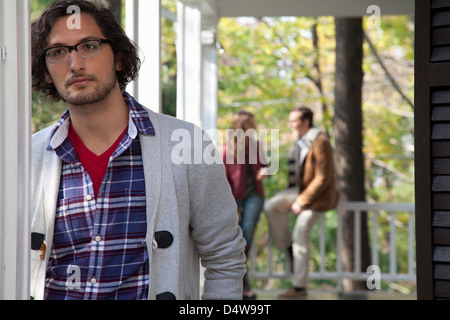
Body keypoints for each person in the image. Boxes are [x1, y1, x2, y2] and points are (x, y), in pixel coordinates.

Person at [30, 0, 246, 300]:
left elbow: (225, 258)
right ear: (46, 70)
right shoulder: (27, 157)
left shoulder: (186, 145)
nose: (75, 64)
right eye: (58, 52)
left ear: (119, 58)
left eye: (89, 46)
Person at [264, 105, 339, 299]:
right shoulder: (300, 141)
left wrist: (301, 202)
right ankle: (288, 247)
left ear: (306, 122)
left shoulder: (320, 141)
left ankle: (299, 287)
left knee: (300, 233)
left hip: (317, 197)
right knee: (271, 205)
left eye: (293, 121)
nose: (290, 124)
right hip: (298, 192)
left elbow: (322, 178)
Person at [222, 110, 269, 300]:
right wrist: (234, 204)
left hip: (255, 196)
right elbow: (223, 179)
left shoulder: (256, 146)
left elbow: (266, 165)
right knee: (237, 240)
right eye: (251, 123)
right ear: (241, 125)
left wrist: (265, 172)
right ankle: (241, 284)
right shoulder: (227, 149)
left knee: (247, 236)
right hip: (235, 198)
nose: (254, 127)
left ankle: (244, 283)